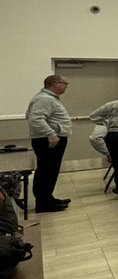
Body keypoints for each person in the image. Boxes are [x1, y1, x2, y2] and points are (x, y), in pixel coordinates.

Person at [26, 74, 73, 212]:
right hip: (48, 140)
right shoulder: (45, 99)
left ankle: (47, 198)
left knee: (50, 170)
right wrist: (51, 134)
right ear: (55, 84)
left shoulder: (48, 99)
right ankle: (43, 203)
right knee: (47, 170)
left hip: (50, 139)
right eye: (65, 83)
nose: (66, 87)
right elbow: (36, 119)